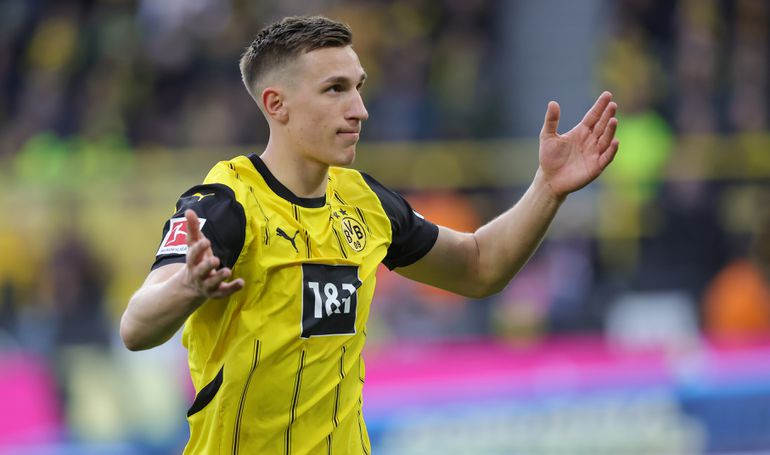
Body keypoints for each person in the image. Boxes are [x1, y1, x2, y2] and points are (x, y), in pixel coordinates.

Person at [119, 15, 619, 455]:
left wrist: (547, 187)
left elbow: (479, 266)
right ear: (277, 104)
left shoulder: (366, 202)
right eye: (335, 89)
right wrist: (188, 286)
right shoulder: (227, 205)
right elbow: (136, 326)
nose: (359, 109)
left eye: (358, 87)